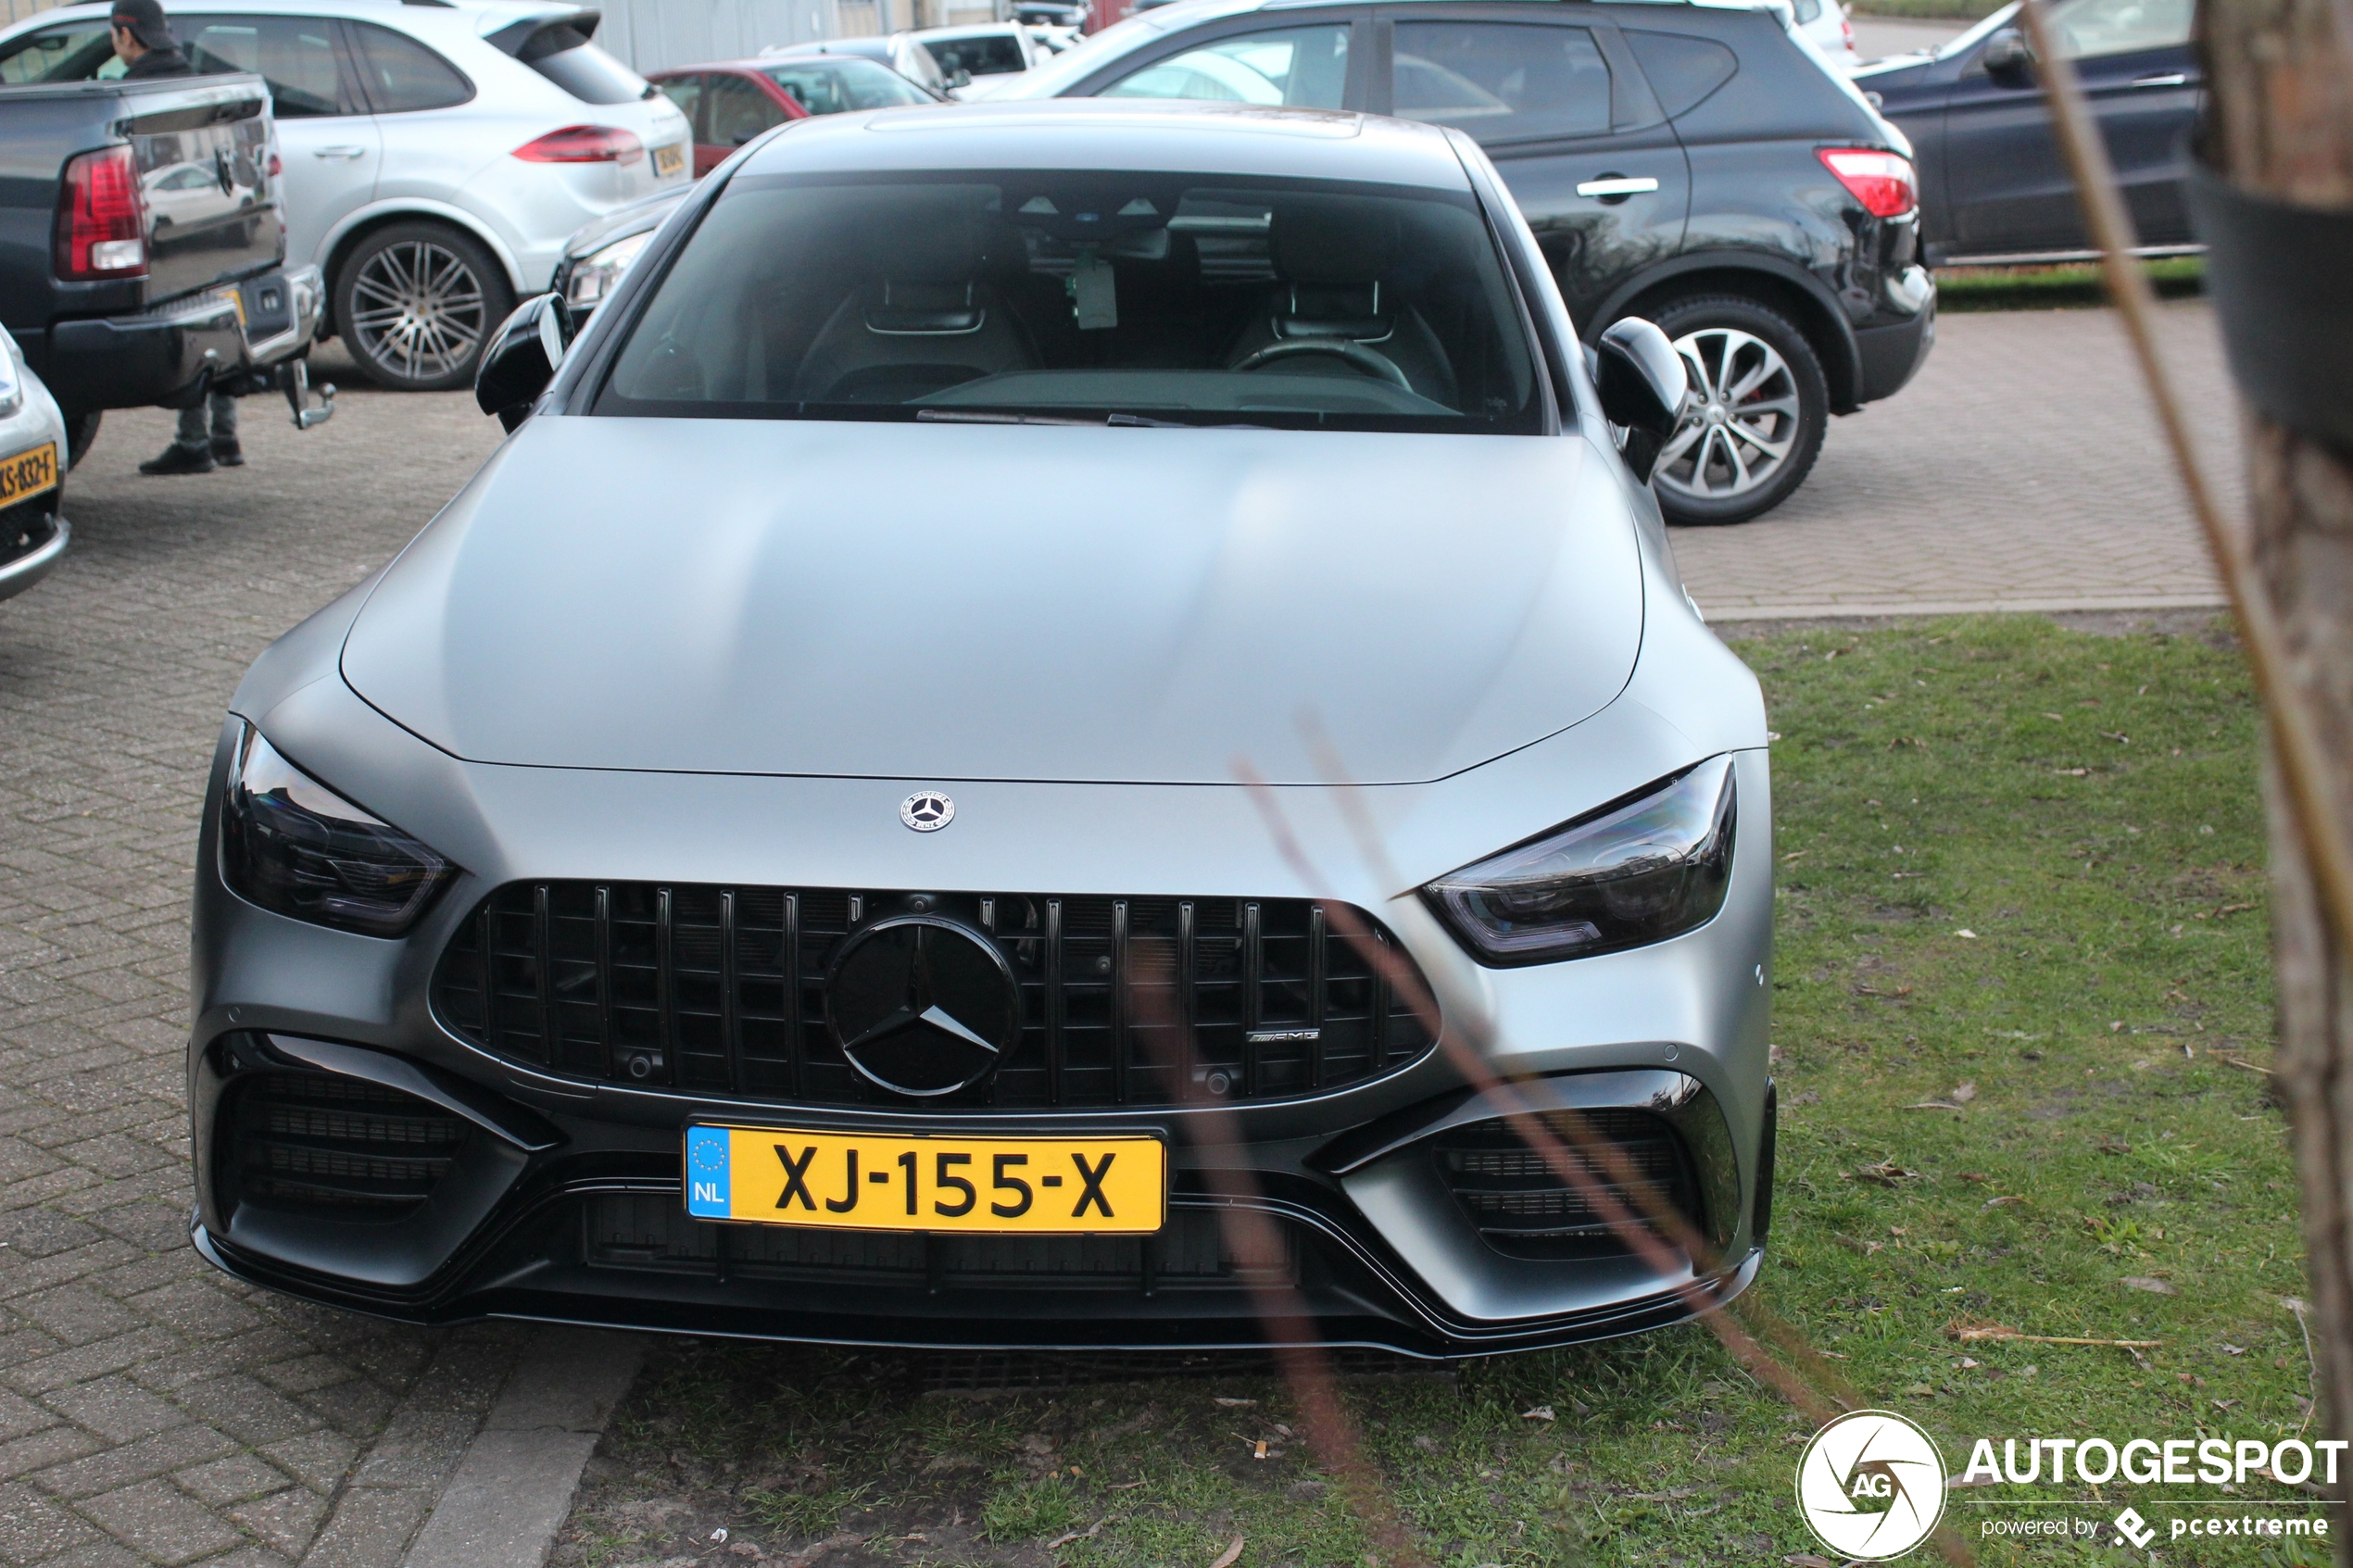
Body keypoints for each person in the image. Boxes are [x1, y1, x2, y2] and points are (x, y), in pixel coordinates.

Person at [113, 0, 246, 474]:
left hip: (163, 221)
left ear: (127, 36)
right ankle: (225, 437)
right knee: (214, 318)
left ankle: (194, 443)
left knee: (189, 330)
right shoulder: (193, 79)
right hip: (210, 218)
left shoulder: (132, 93)